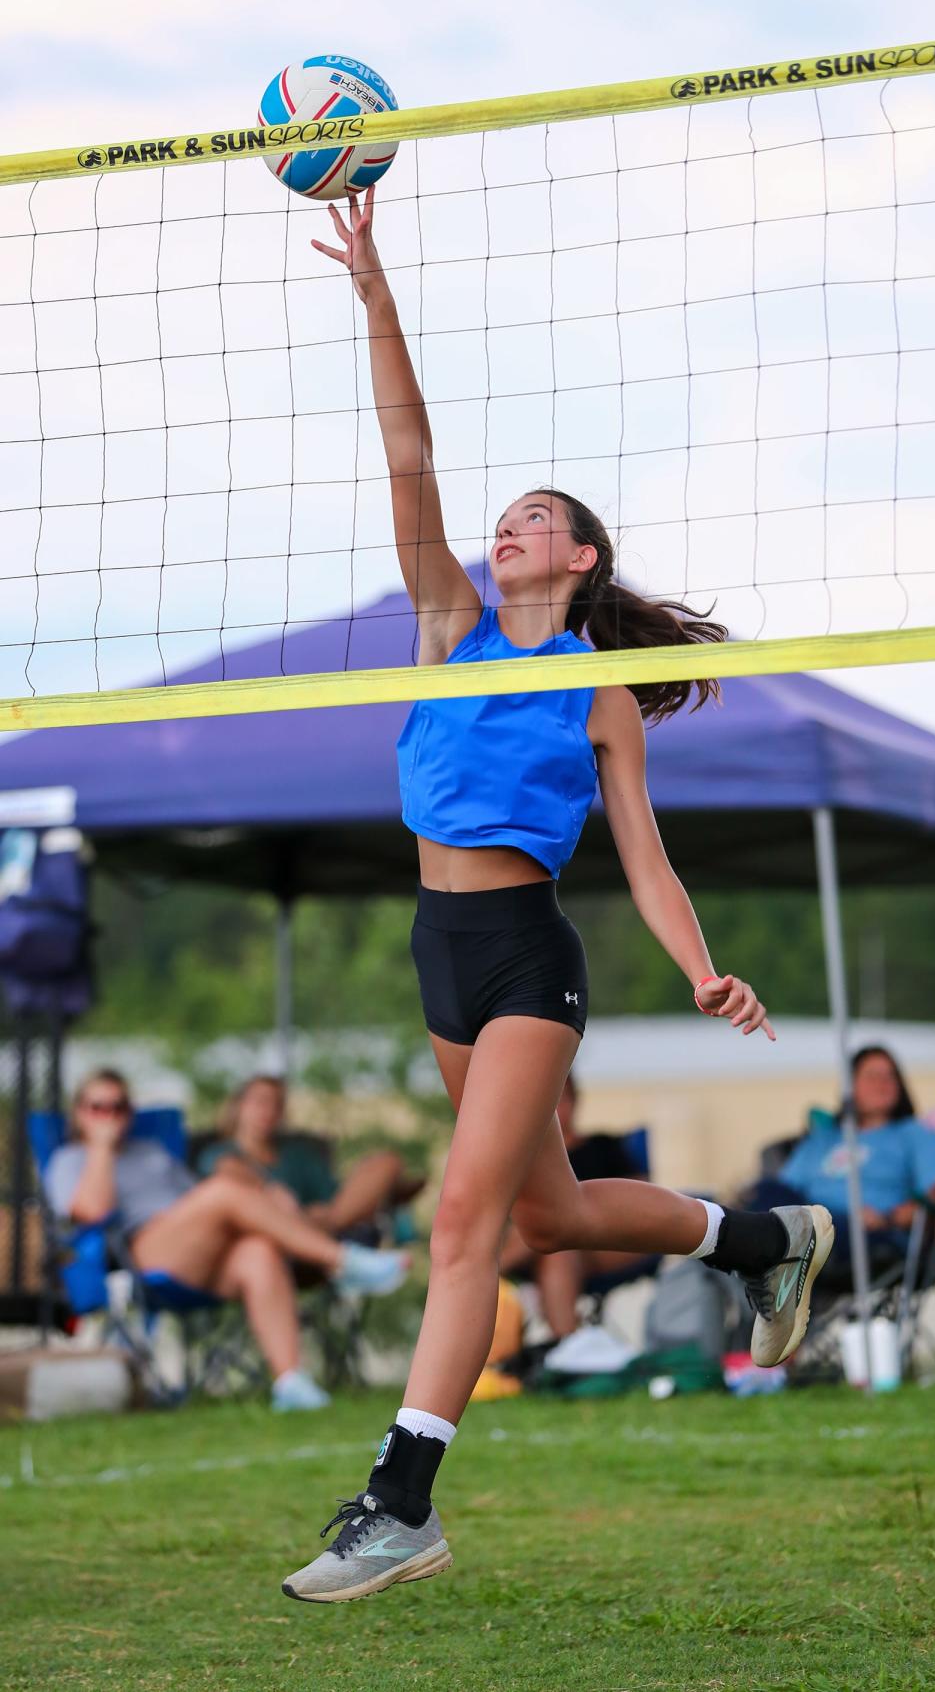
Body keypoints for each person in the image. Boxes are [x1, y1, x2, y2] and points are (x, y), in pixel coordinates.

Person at [282, 186, 835, 1603]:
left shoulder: (597, 688)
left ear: (581, 561)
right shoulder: (445, 625)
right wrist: (375, 293)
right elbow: (409, 452)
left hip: (528, 954)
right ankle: (770, 1240)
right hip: (438, 948)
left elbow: (644, 851)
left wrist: (704, 966)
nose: (511, 524)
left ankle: (402, 1501)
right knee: (547, 1219)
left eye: (541, 519)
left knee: (465, 1228)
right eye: (508, 514)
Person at [44, 1069, 410, 1412]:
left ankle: (290, 1382)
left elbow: (197, 1199)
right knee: (223, 1190)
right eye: (98, 1107)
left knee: (259, 1251)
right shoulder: (69, 1159)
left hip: (202, 1251)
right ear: (79, 1113)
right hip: (146, 1251)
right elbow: (92, 1212)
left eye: (119, 1107)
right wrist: (101, 1148)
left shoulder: (152, 1153)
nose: (110, 1116)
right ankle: (341, 1261)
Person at [748, 1045, 935, 1290]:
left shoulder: (914, 1134)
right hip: (807, 1221)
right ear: (850, 1087)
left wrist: (887, 1218)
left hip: (864, 1232)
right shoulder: (823, 1138)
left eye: (890, 1076)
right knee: (762, 1192)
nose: (883, 1083)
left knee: (801, 1227)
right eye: (871, 1076)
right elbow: (782, 1189)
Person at [499, 1074, 657, 1339]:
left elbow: (642, 1196)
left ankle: (487, 1270)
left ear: (575, 1102)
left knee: (554, 1232)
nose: (554, 1111)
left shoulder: (602, 1146)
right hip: (549, 1245)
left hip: (606, 1238)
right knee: (556, 1245)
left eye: (560, 1102)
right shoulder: (525, 1160)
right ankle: (569, 1347)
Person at [198, 1075, 424, 1238]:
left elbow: (332, 1198)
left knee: (386, 1161)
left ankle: (368, 1206)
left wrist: (319, 1214)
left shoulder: (298, 1151)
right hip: (270, 1228)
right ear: (239, 1106)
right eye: (260, 1102)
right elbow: (227, 1173)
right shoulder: (220, 1153)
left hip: (323, 1219)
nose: (268, 1111)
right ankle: (379, 1203)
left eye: (276, 1104)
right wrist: (271, 1192)